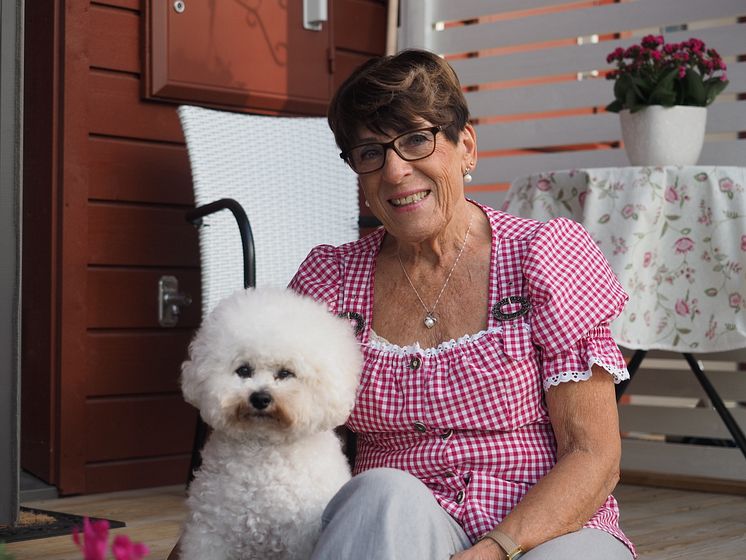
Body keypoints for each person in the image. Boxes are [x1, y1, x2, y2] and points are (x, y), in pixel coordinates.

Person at [169, 48, 636, 560]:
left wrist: (497, 548)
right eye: (370, 153)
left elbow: (593, 454)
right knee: (381, 492)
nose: (394, 172)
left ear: (467, 147)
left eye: (416, 139)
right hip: (396, 534)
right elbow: (273, 438)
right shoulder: (332, 277)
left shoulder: (544, 255)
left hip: (545, 528)